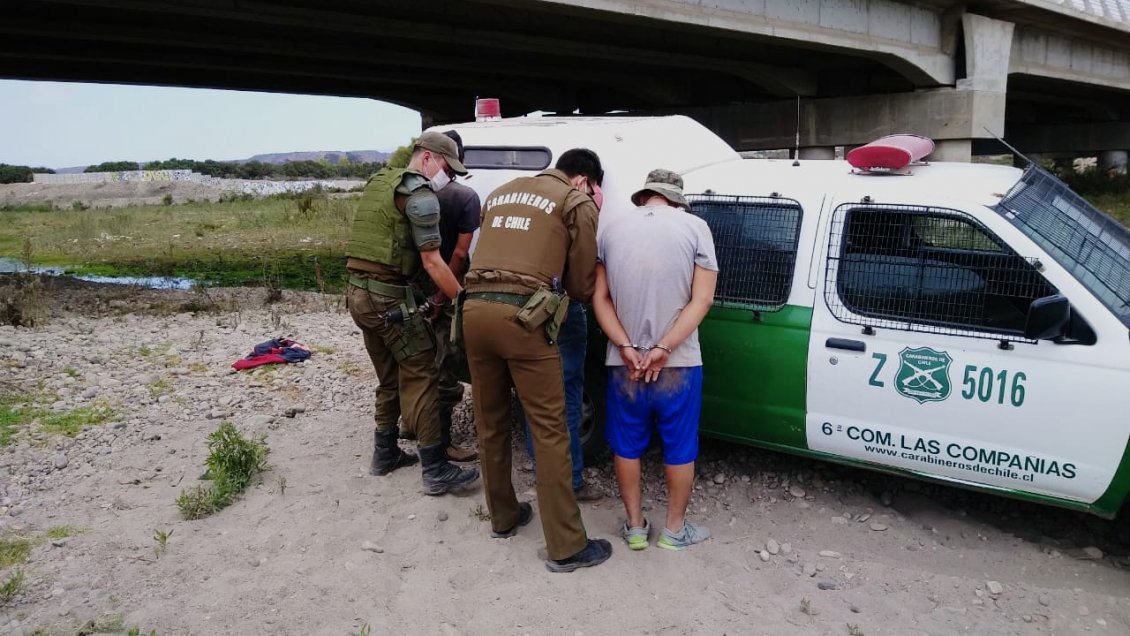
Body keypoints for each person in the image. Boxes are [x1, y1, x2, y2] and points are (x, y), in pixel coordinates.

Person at [463, 148, 613, 572]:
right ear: (584, 179)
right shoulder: (575, 200)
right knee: (550, 430)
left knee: (490, 424)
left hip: (473, 311)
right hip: (524, 320)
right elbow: (581, 286)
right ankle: (567, 546)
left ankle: (504, 516)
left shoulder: (502, 192)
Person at [345, 131, 479, 496]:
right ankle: (435, 469)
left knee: (389, 377)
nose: (446, 176)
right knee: (421, 374)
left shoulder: (378, 182)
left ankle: (384, 454)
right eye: (446, 167)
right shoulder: (419, 193)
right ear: (427, 158)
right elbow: (434, 262)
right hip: (388, 299)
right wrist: (460, 298)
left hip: (357, 294)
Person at [591, 168, 718, 551]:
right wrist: (664, 348)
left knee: (627, 445)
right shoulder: (696, 227)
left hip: (624, 364)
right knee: (680, 446)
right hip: (677, 364)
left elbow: (601, 298)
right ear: (677, 199)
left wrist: (627, 347)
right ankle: (674, 531)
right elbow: (703, 298)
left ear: (644, 196)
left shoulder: (611, 230)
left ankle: (634, 527)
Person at [433, 130, 480, 463]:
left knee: (421, 363)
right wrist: (444, 293)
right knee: (446, 365)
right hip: (447, 290)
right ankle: (443, 443)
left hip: (419, 287)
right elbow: (461, 254)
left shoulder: (419, 193)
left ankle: (411, 423)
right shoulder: (465, 197)